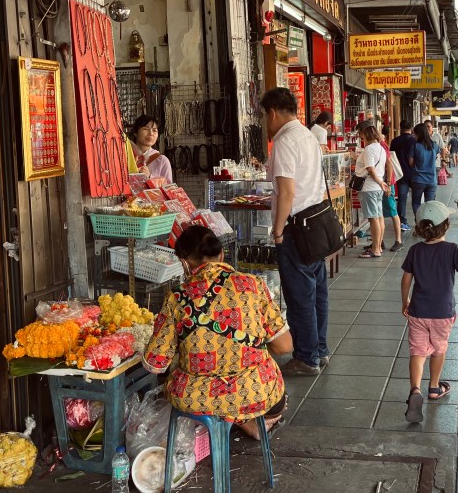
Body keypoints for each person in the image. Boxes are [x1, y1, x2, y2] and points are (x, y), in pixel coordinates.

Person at [143, 226, 292, 439]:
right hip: (255, 392)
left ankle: (220, 423)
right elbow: (284, 346)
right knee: (275, 394)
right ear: (221, 254)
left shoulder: (176, 298)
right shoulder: (253, 285)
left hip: (196, 398)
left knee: (177, 380)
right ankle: (247, 422)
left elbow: (155, 364)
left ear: (184, 262)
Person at [401, 201, 458, 423]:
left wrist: (405, 301)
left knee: (417, 351)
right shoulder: (451, 250)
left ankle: (415, 390)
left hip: (418, 311)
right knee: (439, 349)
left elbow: (405, 279)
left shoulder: (415, 250)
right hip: (442, 313)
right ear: (447, 225)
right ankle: (434, 387)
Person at [261, 87, 331, 375]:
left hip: (295, 227)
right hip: (315, 223)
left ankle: (306, 358)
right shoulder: (308, 136)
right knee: (317, 291)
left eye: (266, 116)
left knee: (300, 295)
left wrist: (277, 231)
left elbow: (287, 192)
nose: (266, 122)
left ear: (273, 113)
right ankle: (320, 349)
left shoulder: (286, 142)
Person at [357, 124, 390, 259]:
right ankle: (378, 247)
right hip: (377, 188)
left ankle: (375, 248)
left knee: (373, 218)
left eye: (363, 136)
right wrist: (382, 183)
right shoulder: (381, 148)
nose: (361, 138)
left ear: (367, 136)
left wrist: (380, 182)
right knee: (379, 217)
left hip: (370, 187)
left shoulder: (369, 149)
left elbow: (370, 169)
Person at [126, 114, 173, 184]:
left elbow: (169, 188)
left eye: (154, 130)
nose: (151, 133)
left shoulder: (162, 161)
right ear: (135, 133)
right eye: (146, 129)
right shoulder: (125, 156)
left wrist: (150, 177)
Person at [379, 125, 404, 253]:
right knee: (380, 212)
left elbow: (389, 165)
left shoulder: (381, 145)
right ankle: (379, 241)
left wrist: (388, 183)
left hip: (387, 183)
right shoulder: (378, 145)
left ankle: (398, 240)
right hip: (383, 183)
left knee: (392, 210)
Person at [389, 121, 417, 230]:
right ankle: (419, 221)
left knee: (402, 198)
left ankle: (402, 221)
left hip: (400, 173)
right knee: (416, 199)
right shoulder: (414, 141)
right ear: (412, 127)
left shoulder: (395, 141)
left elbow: (390, 157)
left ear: (400, 128)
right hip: (414, 173)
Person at [408, 123, 439, 215]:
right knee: (429, 204)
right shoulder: (434, 145)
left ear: (419, 134)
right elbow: (435, 157)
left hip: (418, 180)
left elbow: (411, 163)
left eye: (414, 133)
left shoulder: (415, 146)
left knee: (416, 203)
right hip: (432, 180)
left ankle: (419, 223)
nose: (413, 135)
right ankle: (428, 224)